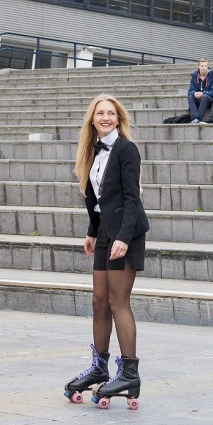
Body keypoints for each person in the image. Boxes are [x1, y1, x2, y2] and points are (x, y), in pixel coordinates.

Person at [64, 94, 149, 408]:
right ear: (92, 119)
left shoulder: (127, 149)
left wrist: (124, 237)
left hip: (126, 234)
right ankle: (99, 367)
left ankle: (129, 373)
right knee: (99, 302)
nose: (105, 117)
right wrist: (91, 231)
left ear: (118, 118)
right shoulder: (92, 152)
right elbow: (97, 199)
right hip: (104, 234)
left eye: (110, 113)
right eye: (100, 113)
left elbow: (131, 200)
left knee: (117, 302)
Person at [187, 58, 213, 124]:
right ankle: (195, 118)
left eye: (205, 66)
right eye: (202, 66)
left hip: (210, 99)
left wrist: (203, 93)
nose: (204, 68)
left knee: (204, 97)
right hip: (199, 98)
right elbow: (190, 90)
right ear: (198, 67)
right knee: (190, 97)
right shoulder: (194, 76)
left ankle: (199, 119)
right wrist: (194, 93)